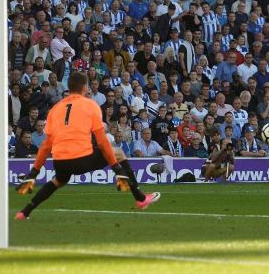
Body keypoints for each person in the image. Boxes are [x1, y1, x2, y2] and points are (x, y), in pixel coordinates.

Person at [15, 72, 161, 220]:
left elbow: (46, 145)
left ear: (69, 87)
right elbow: (102, 141)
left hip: (60, 161)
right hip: (82, 158)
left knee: (58, 181)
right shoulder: (91, 105)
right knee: (118, 152)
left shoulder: (55, 109)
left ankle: (24, 212)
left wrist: (33, 172)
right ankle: (140, 198)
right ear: (85, 87)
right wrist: (117, 168)